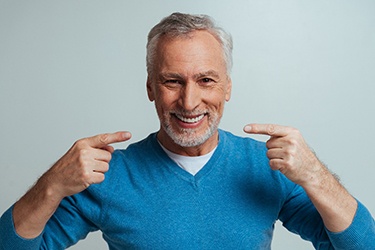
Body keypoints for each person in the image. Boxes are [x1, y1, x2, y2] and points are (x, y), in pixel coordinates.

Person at [0, 12, 374, 250]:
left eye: (206, 80)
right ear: (150, 88)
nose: (190, 101)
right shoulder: (106, 175)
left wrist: (315, 177)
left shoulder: (266, 167)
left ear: (227, 87)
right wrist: (51, 185)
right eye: (172, 81)